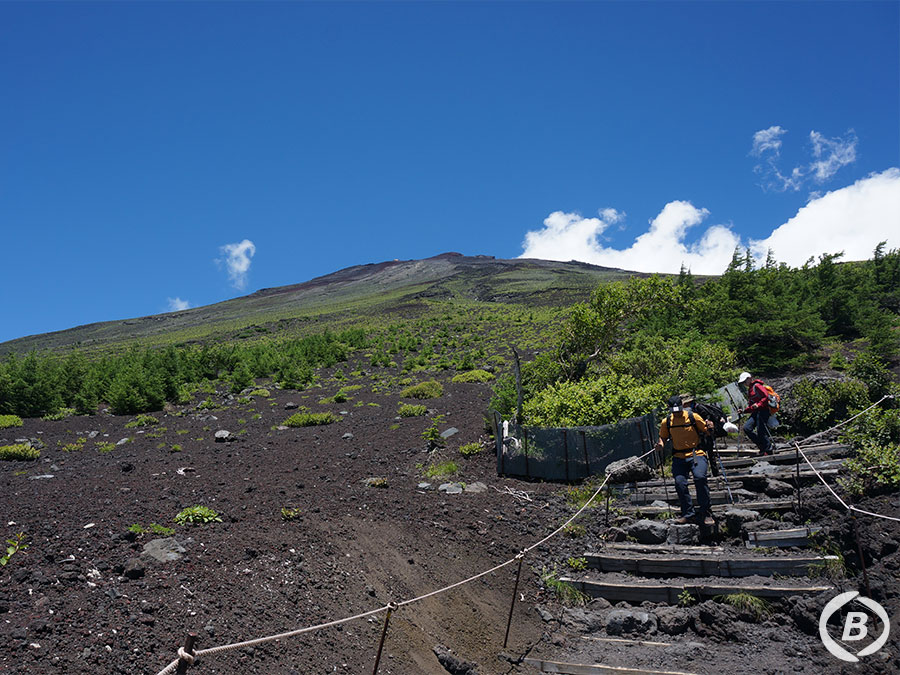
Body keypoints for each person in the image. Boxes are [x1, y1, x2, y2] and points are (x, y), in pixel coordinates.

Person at [654, 394, 715, 526]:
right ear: (669, 408)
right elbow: (663, 437)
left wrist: (710, 427)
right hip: (679, 457)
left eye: (678, 410)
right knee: (680, 483)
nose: (676, 413)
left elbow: (706, 431)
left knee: (700, 478)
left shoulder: (693, 417)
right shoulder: (667, 422)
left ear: (682, 406)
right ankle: (688, 514)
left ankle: (706, 512)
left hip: (696, 454)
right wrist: (660, 445)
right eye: (673, 410)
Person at [738, 371, 776, 455]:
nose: (744, 383)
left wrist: (758, 405)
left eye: (745, 381)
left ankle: (768, 450)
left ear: (749, 378)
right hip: (756, 412)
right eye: (743, 382)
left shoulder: (757, 386)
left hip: (763, 411)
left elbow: (765, 396)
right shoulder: (750, 389)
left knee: (761, 431)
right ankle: (762, 446)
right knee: (747, 428)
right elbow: (752, 406)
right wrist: (744, 411)